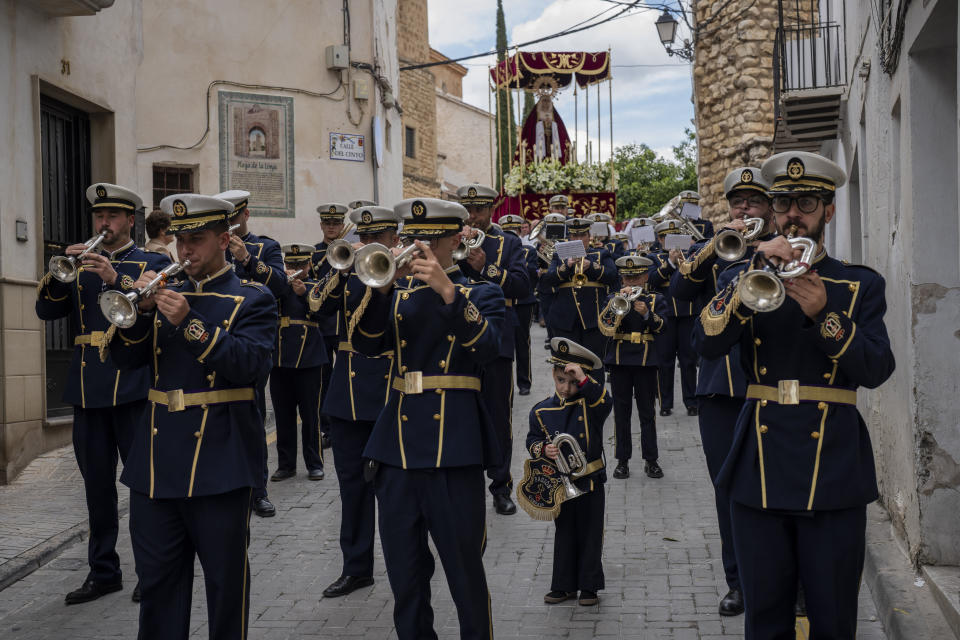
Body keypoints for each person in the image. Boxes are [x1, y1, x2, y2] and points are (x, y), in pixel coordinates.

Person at [692, 151, 895, 639]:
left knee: (832, 615)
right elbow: (706, 342)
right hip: (759, 462)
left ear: (828, 211)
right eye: (783, 204)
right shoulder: (741, 276)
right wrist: (749, 278)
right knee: (765, 617)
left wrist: (825, 314)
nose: (792, 215)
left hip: (833, 464)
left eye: (806, 203)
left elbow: (876, 369)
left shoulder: (858, 283)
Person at [108, 193, 276, 640]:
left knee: (225, 586)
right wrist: (140, 316)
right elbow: (125, 363)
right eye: (181, 241)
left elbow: (251, 366)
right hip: (157, 463)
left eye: (197, 241)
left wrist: (191, 323)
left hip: (221, 461)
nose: (185, 252)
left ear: (224, 239)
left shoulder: (253, 299)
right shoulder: (168, 292)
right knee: (159, 586)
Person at [350, 197, 503, 640]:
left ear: (456, 240)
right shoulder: (395, 296)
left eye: (433, 240)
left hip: (454, 448)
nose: (423, 249)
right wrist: (380, 290)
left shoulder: (480, 293)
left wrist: (449, 292)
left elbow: (490, 350)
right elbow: (366, 343)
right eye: (416, 239)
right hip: (397, 449)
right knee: (406, 580)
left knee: (465, 574)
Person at [36, 183, 171, 605]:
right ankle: (103, 572)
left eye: (112, 217)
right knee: (97, 489)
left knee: (144, 488)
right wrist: (64, 269)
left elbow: (154, 304)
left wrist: (115, 276)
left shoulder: (149, 260)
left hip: (132, 387)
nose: (104, 224)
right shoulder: (80, 263)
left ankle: (152, 571)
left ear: (130, 220)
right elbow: (46, 310)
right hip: (88, 390)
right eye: (99, 217)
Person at [670, 166, 777, 616]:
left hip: (767, 384)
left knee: (774, 483)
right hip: (718, 387)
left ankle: (781, 580)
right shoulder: (714, 249)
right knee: (725, 488)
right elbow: (678, 289)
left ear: (769, 209)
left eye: (752, 202)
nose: (743, 209)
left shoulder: (781, 249)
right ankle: (738, 581)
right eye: (737, 202)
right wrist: (715, 248)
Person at [309, 204, 401, 598]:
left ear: (394, 240)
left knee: (395, 489)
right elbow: (315, 307)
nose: (366, 245)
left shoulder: (406, 275)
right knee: (352, 487)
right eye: (362, 238)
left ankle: (405, 565)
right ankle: (357, 567)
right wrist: (341, 269)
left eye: (375, 238)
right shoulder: (346, 273)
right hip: (345, 395)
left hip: (389, 393)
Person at [456, 183, 530, 516]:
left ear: (491, 210)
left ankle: (501, 487)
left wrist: (487, 266)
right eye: (468, 210)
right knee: (463, 413)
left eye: (479, 210)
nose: (473, 216)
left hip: (498, 339)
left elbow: (523, 286)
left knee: (499, 417)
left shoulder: (509, 243)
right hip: (459, 338)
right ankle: (465, 482)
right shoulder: (450, 240)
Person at [525, 338, 611, 606]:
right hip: (561, 483)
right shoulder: (540, 410)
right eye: (562, 380)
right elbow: (531, 440)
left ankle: (589, 586)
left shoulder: (590, 405)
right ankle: (563, 585)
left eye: (573, 382)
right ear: (553, 375)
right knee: (565, 532)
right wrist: (542, 449)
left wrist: (584, 379)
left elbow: (604, 401)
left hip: (591, 481)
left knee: (590, 532)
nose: (567, 387)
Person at [215, 189, 283, 518]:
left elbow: (280, 287)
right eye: (225, 219)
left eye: (235, 217)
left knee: (252, 418)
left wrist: (247, 260)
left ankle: (259, 490)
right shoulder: (214, 244)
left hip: (250, 343)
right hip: (214, 342)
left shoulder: (265, 247)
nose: (231, 223)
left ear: (246, 215)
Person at [598, 256, 668, 480]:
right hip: (620, 360)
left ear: (646, 277)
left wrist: (646, 313)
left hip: (646, 360)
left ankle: (651, 460)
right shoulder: (613, 298)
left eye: (636, 277)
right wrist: (620, 306)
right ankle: (622, 461)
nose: (632, 282)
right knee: (621, 413)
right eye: (628, 278)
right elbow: (604, 327)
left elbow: (663, 327)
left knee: (647, 412)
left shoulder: (656, 299)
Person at [266, 244, 326, 482]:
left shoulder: (315, 287)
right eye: (291, 265)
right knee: (283, 415)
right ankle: (286, 464)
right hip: (280, 359)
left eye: (300, 265)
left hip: (309, 359)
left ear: (309, 265)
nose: (296, 270)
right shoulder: (278, 287)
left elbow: (324, 315)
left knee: (311, 416)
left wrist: (303, 295)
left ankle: (314, 463)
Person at [540, 215, 618, 359]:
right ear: (570, 237)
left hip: (593, 318)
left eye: (582, 235)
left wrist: (592, 267)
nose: (578, 239)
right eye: (574, 235)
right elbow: (549, 280)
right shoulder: (559, 255)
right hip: (565, 318)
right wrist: (566, 266)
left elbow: (613, 276)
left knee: (594, 360)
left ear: (589, 236)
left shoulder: (601, 254)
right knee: (567, 361)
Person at [648, 219, 698, 417]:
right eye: (667, 238)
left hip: (688, 312)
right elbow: (652, 280)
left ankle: (691, 401)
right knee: (665, 361)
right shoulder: (654, 258)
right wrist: (670, 263)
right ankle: (665, 403)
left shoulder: (693, 256)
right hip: (665, 314)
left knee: (688, 360)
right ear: (660, 240)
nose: (672, 242)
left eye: (677, 238)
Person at [311, 202, 350, 451]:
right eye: (328, 223)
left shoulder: (348, 250)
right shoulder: (314, 254)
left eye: (336, 223)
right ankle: (326, 428)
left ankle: (344, 423)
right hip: (323, 325)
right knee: (324, 380)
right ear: (322, 225)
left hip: (345, 323)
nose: (332, 227)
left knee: (344, 376)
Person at [499, 213, 539, 396]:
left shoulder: (529, 251)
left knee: (523, 342)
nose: (511, 235)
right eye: (507, 231)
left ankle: (524, 382)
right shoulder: (497, 249)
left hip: (523, 302)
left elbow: (530, 277)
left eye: (513, 231)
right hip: (503, 300)